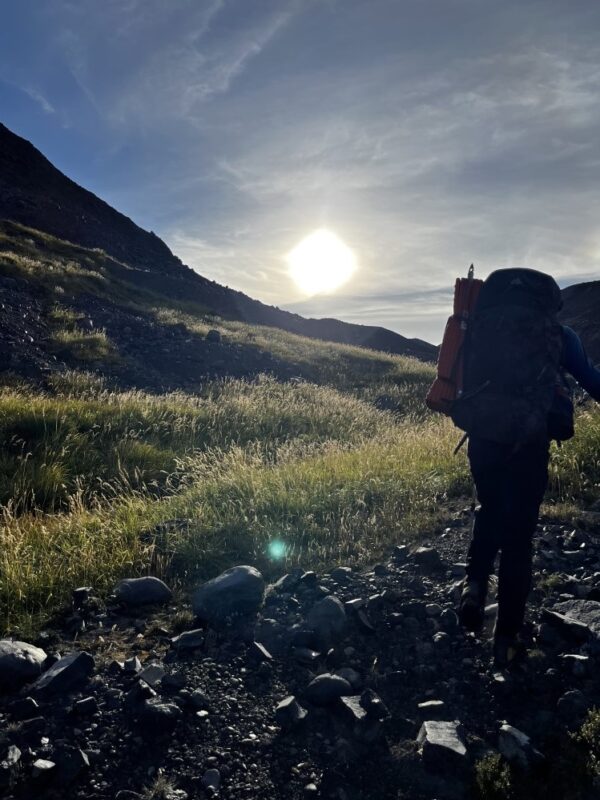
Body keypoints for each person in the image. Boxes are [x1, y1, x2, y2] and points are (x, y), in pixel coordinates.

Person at [457, 304, 600, 668]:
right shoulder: (559, 336)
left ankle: (473, 587)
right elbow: (590, 380)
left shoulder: (481, 330)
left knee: (488, 507)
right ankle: (506, 638)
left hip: (484, 438)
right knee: (519, 534)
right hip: (530, 442)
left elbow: (459, 381)